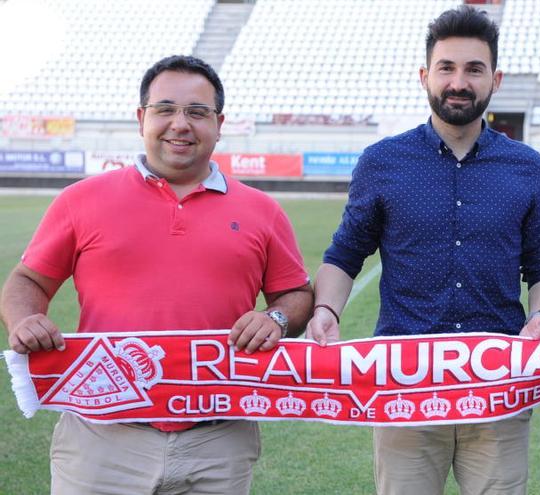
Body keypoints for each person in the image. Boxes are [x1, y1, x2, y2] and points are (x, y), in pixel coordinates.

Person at [0, 55, 313, 494]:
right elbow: (27, 281)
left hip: (218, 437)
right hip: (101, 435)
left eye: (197, 112)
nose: (180, 124)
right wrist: (25, 318)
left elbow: (296, 294)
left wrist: (276, 319)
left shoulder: (262, 210)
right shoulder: (81, 200)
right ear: (141, 118)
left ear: (219, 124)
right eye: (165, 109)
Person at [305, 5, 540, 494]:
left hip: (499, 385)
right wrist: (325, 310)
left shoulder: (527, 167)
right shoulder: (383, 161)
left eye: (473, 69)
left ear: (496, 79)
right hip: (404, 384)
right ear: (425, 75)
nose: (458, 82)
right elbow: (345, 253)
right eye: (446, 68)